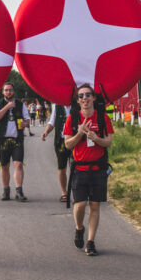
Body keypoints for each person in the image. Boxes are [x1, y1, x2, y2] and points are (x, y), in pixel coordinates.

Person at [64, 84, 113, 256]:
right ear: (78, 101)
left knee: (94, 205)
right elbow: (68, 144)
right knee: (80, 205)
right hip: (80, 168)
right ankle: (79, 228)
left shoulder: (103, 118)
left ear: (93, 98)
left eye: (88, 95)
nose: (85, 98)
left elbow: (108, 142)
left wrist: (95, 138)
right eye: (81, 96)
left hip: (98, 168)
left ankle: (91, 242)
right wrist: (79, 134)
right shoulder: (72, 118)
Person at [0, 82, 31, 202]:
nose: (9, 92)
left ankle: (19, 191)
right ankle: (6, 191)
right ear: (3, 92)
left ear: (14, 91)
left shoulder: (20, 104)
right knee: (5, 166)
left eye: (10, 90)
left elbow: (28, 119)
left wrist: (25, 123)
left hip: (17, 139)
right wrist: (7, 107)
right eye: (6, 90)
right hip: (2, 140)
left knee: (18, 164)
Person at [41, 104, 71, 202]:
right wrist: (46, 132)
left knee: (77, 168)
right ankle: (64, 193)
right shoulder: (56, 105)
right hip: (61, 140)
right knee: (62, 168)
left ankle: (78, 192)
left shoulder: (78, 102)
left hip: (75, 140)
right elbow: (52, 121)